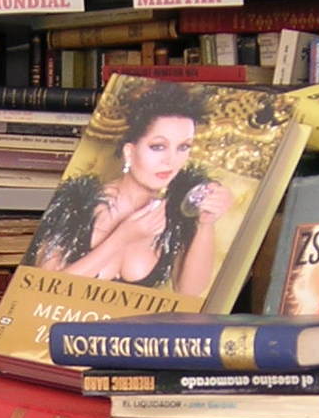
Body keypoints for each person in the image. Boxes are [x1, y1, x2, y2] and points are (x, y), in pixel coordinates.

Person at [25, 83, 231, 298]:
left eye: (183, 147)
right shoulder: (76, 204)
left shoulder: (175, 213)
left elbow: (189, 292)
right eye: (158, 146)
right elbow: (42, 292)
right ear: (129, 152)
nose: (171, 160)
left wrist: (205, 224)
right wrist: (121, 239)